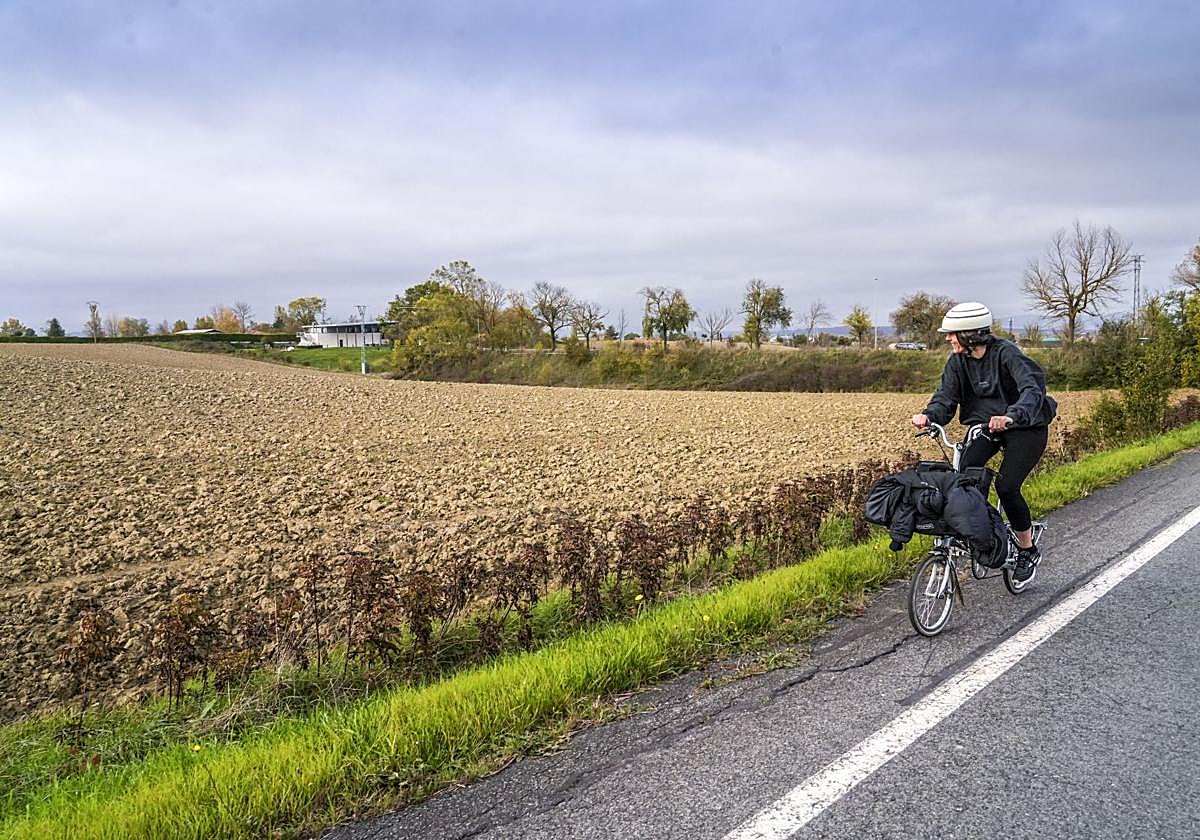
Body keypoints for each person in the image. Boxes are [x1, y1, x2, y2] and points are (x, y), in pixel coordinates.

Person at [910, 301, 1057, 582]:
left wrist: (1012, 415)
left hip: (1026, 426)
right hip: (986, 426)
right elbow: (945, 397)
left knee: (1007, 485)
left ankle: (1027, 549)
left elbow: (1032, 388)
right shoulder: (957, 362)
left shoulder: (1007, 354)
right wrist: (930, 416)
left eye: (952, 334)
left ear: (970, 334)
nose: (947, 338)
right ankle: (986, 531)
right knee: (964, 479)